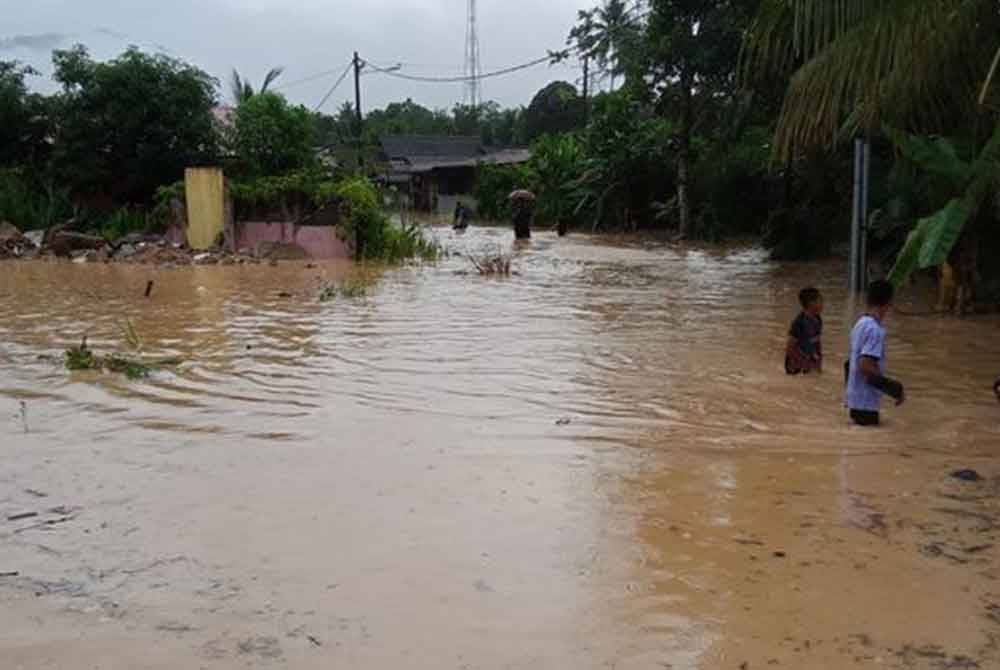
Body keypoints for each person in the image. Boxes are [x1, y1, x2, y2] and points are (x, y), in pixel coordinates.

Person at [845, 279, 905, 426]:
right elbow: (865, 366)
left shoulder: (860, 324)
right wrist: (895, 389)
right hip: (866, 402)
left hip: (855, 400)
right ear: (888, 302)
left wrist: (850, 393)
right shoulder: (875, 330)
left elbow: (849, 363)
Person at [785, 287, 823, 374]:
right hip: (795, 365)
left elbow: (817, 341)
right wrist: (803, 363)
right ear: (811, 303)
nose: (822, 304)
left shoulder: (818, 319)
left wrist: (818, 361)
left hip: (810, 359)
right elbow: (789, 348)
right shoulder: (799, 323)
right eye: (820, 301)